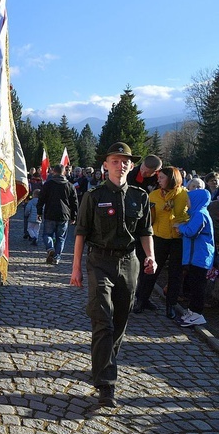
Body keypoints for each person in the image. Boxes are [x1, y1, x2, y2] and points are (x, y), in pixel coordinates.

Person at [70, 142, 156, 408]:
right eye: (115, 161)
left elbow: (145, 232)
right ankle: (106, 384)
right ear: (105, 165)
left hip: (129, 263)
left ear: (131, 166)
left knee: (120, 321)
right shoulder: (93, 196)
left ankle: (102, 363)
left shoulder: (140, 197)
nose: (121, 166)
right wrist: (75, 268)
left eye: (125, 162)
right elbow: (81, 233)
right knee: (103, 320)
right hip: (100, 262)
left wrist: (150, 256)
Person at [133, 167, 188, 317]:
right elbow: (146, 218)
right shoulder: (154, 195)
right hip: (158, 237)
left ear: (171, 179)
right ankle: (141, 300)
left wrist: (182, 224)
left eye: (162, 178)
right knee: (151, 271)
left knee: (175, 274)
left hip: (178, 239)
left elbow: (190, 215)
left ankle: (171, 304)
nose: (158, 180)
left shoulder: (184, 195)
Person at [176, 188, 215, 327]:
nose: (187, 202)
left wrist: (180, 228)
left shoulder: (199, 214)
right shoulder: (197, 214)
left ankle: (197, 313)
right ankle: (192, 311)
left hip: (199, 257)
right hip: (196, 256)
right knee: (193, 284)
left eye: (189, 199)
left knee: (197, 286)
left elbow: (192, 232)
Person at [37, 164, 78, 265]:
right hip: (64, 215)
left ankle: (50, 248)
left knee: (47, 234)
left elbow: (41, 199)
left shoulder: (48, 184)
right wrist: (74, 216)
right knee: (60, 238)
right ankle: (56, 257)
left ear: (53, 172)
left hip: (50, 213)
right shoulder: (70, 185)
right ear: (64, 172)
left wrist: (39, 212)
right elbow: (74, 203)